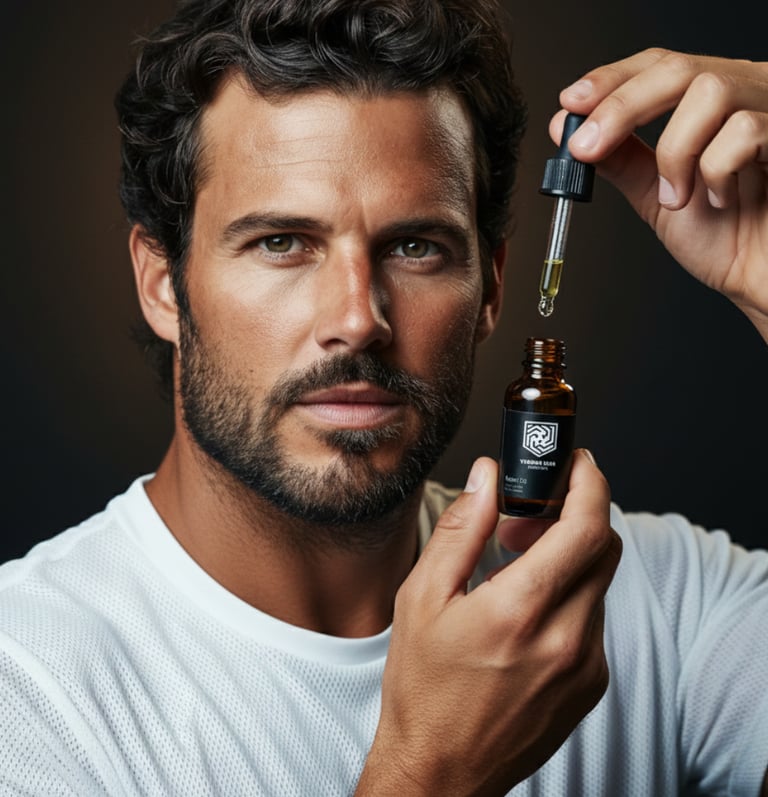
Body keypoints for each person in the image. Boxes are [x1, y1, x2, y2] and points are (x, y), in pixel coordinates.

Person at [1, 0, 766, 794]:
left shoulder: (656, 602)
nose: (358, 318)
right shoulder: (27, 684)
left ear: (492, 287)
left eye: (415, 246)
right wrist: (432, 771)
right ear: (163, 284)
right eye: (281, 243)